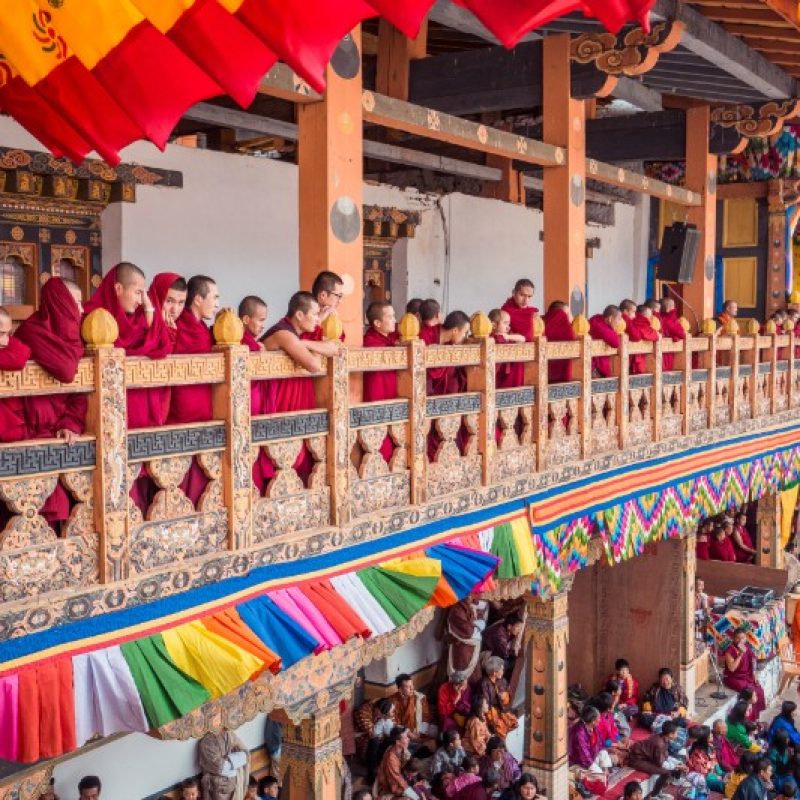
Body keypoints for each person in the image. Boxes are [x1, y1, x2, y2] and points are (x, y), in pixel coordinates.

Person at [14, 279, 87, 526]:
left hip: (59, 435)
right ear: (63, 304)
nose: (82, 310)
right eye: (77, 303)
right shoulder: (31, 331)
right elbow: (66, 370)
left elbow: (79, 394)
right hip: (27, 433)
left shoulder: (76, 338)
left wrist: (71, 423)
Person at [83, 262, 173, 427]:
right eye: (138, 293)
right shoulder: (92, 316)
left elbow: (159, 346)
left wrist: (149, 308)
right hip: (107, 405)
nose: (141, 300)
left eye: (143, 294)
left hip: (139, 402)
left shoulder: (137, 318)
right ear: (118, 289)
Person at [261, 291, 337, 484]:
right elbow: (314, 364)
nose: (317, 320)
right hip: (275, 401)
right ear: (300, 315)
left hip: (291, 400)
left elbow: (334, 349)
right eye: (314, 314)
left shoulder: (297, 335)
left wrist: (303, 342)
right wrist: (304, 344)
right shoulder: (283, 333)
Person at [363, 300, 401, 464]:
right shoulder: (370, 342)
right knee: (379, 431)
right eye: (390, 317)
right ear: (377, 323)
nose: (394, 320)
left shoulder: (393, 339)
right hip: (377, 392)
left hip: (394, 394)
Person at [626, 720, 686, 798]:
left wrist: (678, 763)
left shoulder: (663, 737)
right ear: (670, 734)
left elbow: (666, 756)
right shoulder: (659, 744)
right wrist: (677, 766)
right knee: (666, 772)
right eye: (676, 733)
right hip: (637, 759)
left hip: (647, 756)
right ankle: (654, 795)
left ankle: (659, 790)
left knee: (676, 762)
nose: (677, 735)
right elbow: (663, 764)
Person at [0, 306, 32, 443]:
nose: (5, 341)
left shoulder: (6, 344)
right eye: (1, 334)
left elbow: (23, 354)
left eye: (8, 334)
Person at [724, 628, 766, 719]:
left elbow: (753, 660)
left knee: (759, 690)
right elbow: (732, 668)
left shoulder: (746, 647)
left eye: (743, 638)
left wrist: (755, 675)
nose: (740, 640)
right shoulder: (729, 651)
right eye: (738, 638)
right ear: (733, 639)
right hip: (733, 678)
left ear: (746, 638)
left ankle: (755, 716)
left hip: (747, 676)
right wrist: (740, 655)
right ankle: (748, 718)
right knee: (750, 693)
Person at [427, 310, 471, 396]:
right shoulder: (426, 336)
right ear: (455, 330)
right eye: (465, 333)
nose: (465, 337)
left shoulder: (450, 344)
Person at [198, 729, 249, 800]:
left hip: (233, 784)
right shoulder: (207, 741)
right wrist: (234, 764)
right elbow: (220, 767)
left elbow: (245, 754)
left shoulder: (229, 734)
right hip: (217, 787)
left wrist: (229, 762)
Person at [389, 673, 437, 748]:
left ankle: (421, 743)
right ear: (400, 689)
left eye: (412, 685)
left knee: (435, 731)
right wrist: (408, 732)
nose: (412, 688)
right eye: (408, 687)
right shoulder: (393, 701)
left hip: (419, 728)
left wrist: (421, 732)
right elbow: (394, 723)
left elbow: (426, 716)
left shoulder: (420, 698)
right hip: (404, 731)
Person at [444, 596, 484, 683]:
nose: (472, 597)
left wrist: (476, 624)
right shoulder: (457, 610)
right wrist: (476, 626)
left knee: (475, 677)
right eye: (469, 594)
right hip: (462, 649)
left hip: (473, 649)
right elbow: (468, 631)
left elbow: (481, 621)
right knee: (460, 679)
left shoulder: (472, 606)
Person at [479, 656, 518, 739]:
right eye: (501, 670)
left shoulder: (502, 680)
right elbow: (486, 705)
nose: (503, 671)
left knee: (513, 723)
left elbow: (509, 693)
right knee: (500, 730)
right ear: (494, 673)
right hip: (492, 713)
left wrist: (505, 696)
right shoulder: (484, 684)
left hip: (503, 709)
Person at [375, 726, 418, 800]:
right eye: (405, 737)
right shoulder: (391, 759)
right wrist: (411, 793)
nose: (408, 739)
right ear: (398, 742)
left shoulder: (400, 749)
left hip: (399, 778)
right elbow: (396, 779)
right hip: (389, 785)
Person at [488, 308, 526, 390]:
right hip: (496, 375)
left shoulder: (507, 336)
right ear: (494, 325)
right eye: (505, 323)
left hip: (508, 374)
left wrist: (508, 337)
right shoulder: (490, 338)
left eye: (509, 324)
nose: (508, 327)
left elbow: (523, 339)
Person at [542, 300, 577, 383]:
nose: (567, 318)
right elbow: (571, 337)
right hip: (561, 375)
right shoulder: (564, 325)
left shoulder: (540, 322)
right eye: (565, 315)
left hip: (542, 373)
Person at [305, 270, 345, 341]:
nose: (340, 301)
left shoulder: (329, 313)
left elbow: (340, 339)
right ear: (323, 295)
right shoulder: (305, 312)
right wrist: (319, 320)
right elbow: (302, 340)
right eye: (338, 295)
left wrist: (336, 321)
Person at [687, 725, 726, 794]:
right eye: (709, 734)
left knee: (731, 777)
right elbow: (702, 772)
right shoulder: (697, 753)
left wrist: (721, 774)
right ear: (704, 738)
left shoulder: (710, 747)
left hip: (714, 774)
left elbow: (715, 762)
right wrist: (716, 777)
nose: (711, 735)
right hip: (705, 779)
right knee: (725, 786)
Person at [482, 613, 523, 678]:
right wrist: (515, 652)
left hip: (494, 652)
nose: (519, 630)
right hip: (485, 654)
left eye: (520, 628)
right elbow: (505, 654)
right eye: (518, 627)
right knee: (508, 663)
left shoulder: (507, 630)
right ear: (509, 626)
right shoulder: (499, 634)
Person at [588, 305, 622, 378]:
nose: (619, 323)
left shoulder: (597, 321)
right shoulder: (600, 326)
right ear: (610, 318)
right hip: (595, 367)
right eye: (619, 319)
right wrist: (614, 330)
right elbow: (615, 343)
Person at [568, 705, 603, 770]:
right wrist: (596, 767)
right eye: (599, 718)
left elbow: (600, 744)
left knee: (603, 754)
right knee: (598, 775)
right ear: (593, 721)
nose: (600, 720)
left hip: (590, 757)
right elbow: (584, 756)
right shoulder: (579, 732)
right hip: (576, 763)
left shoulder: (593, 728)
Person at [628, 303, 660, 375]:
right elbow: (650, 334)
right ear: (643, 316)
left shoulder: (633, 322)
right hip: (635, 360)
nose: (651, 318)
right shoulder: (640, 323)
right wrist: (657, 334)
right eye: (649, 316)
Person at [659, 297, 686, 371]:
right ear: (668, 308)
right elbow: (682, 334)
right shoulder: (670, 319)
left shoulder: (658, 318)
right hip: (667, 354)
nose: (675, 308)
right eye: (673, 306)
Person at [767, 729, 792, 794]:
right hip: (776, 778)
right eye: (787, 739)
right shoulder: (773, 753)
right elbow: (772, 771)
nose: (788, 740)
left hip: (783, 774)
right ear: (782, 741)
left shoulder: (785, 749)